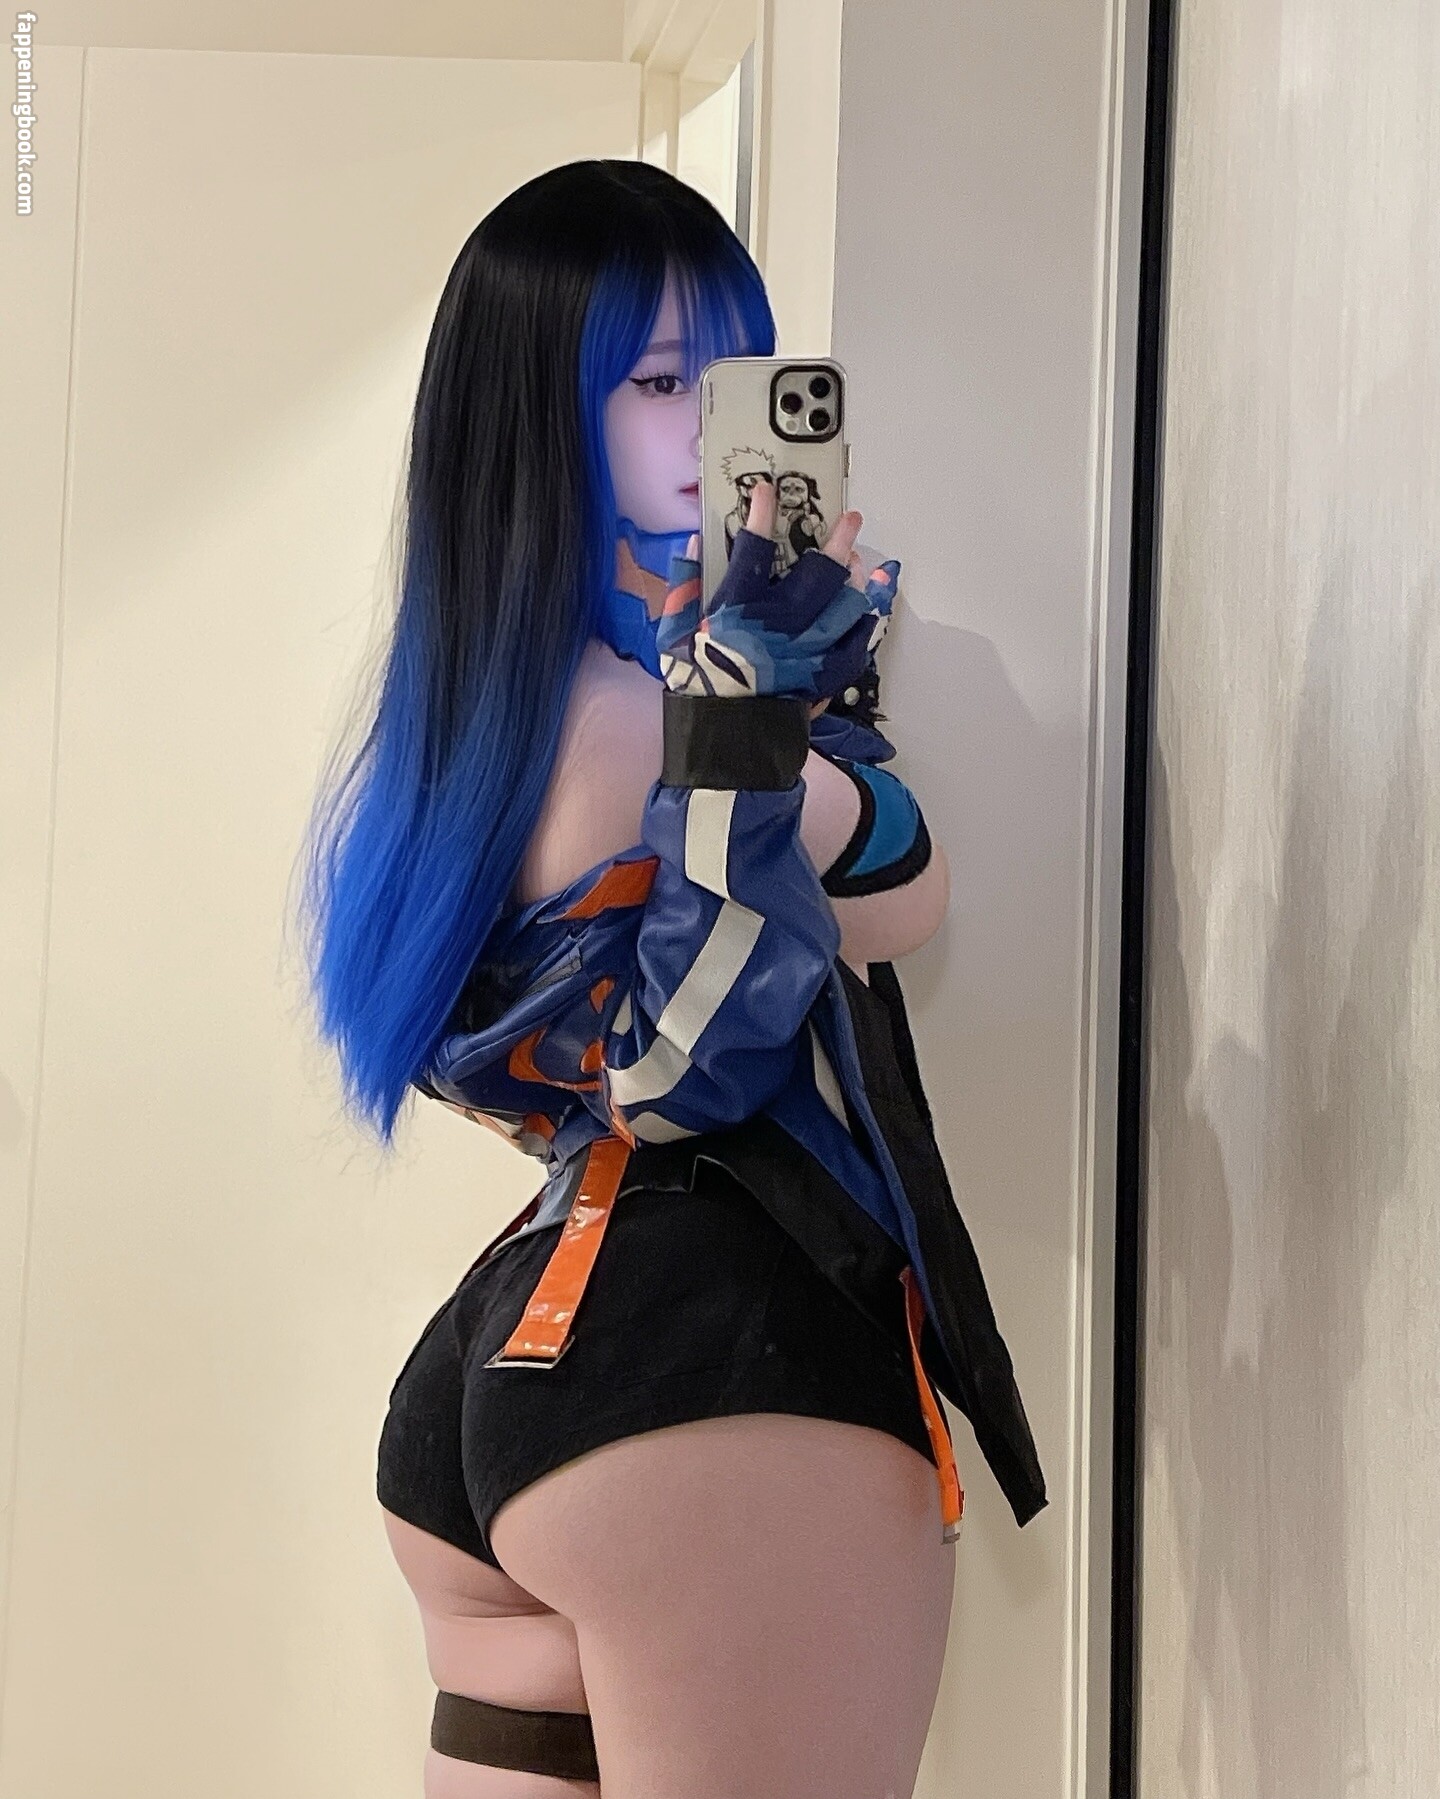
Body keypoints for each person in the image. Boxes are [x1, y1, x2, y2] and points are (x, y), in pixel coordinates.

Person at [296, 158, 1045, 1799]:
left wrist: (757, 716)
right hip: (715, 1357)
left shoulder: (465, 737)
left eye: (731, 374)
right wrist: (767, 719)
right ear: (536, 415)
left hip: (511, 1369)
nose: (710, 423)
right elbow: (869, 915)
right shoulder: (646, 721)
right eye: (655, 381)